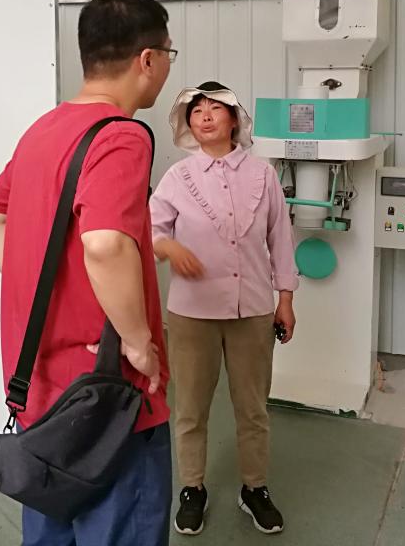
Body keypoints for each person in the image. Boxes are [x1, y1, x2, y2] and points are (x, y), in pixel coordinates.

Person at [0, 0, 174, 546]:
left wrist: (40, 290)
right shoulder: (121, 136)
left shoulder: (44, 129)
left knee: (51, 527)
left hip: (40, 386)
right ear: (147, 60)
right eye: (168, 54)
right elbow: (106, 244)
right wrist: (138, 342)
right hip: (107, 393)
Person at [150, 81, 298, 536]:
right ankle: (192, 488)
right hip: (191, 313)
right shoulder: (178, 177)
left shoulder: (263, 175)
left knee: (253, 407)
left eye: (216, 108)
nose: (206, 116)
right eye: (197, 110)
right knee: (190, 408)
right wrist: (170, 248)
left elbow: (280, 239)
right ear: (189, 123)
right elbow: (149, 230)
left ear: (234, 120)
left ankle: (254, 488)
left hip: (252, 309)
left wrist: (285, 299)